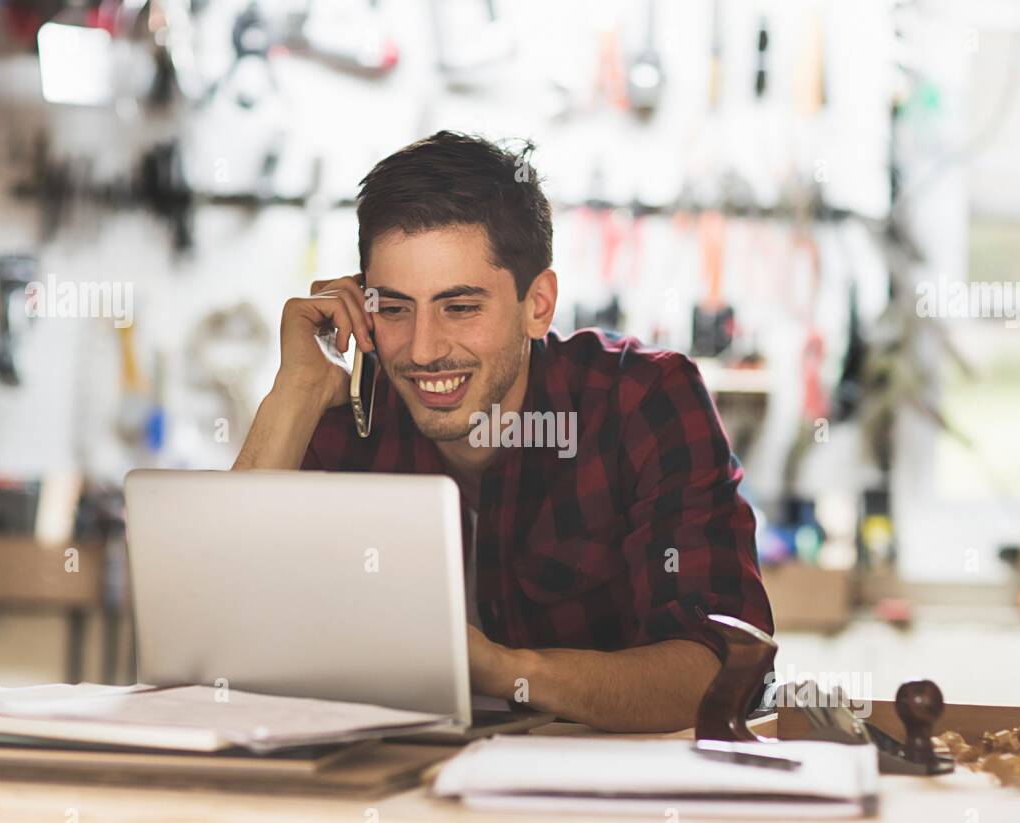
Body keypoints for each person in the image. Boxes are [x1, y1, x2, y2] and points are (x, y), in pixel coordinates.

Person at [234, 131, 772, 732]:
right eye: (394, 308)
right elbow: (220, 643)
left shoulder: (642, 402)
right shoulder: (344, 412)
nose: (423, 350)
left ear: (537, 305)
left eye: (459, 308)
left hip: (600, 807)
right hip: (385, 797)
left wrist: (501, 670)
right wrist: (295, 391)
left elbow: (717, 674)